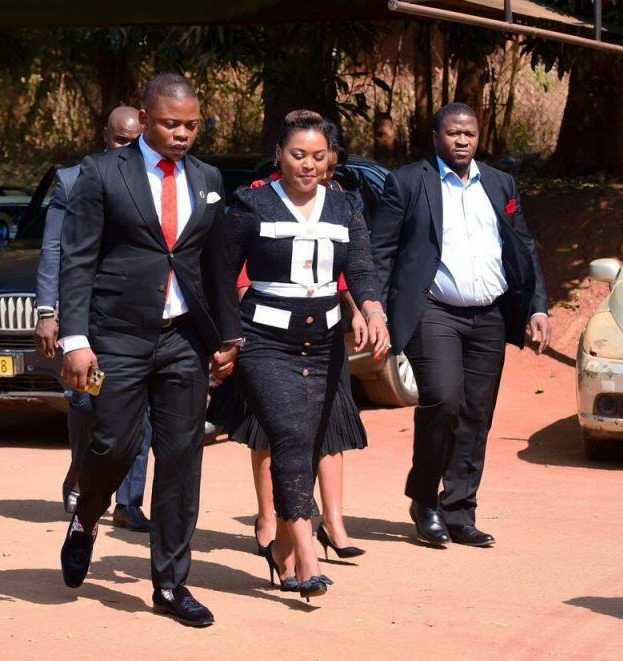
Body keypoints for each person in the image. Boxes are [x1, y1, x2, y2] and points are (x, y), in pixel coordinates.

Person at [57, 73, 241, 627]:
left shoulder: (208, 178)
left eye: (191, 125)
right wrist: (76, 339)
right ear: (145, 116)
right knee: (112, 446)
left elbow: (217, 263)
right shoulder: (101, 173)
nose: (182, 134)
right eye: (169, 124)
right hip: (116, 336)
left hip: (183, 337)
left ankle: (170, 584)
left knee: (182, 457)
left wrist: (227, 336)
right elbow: (78, 259)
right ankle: (87, 516)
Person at [218, 110, 388, 602]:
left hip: (326, 342)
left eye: (318, 156)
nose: (308, 165)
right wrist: (225, 338)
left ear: (331, 159)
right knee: (289, 433)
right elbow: (222, 277)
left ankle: (282, 555)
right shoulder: (251, 203)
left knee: (310, 441)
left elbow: (361, 267)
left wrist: (373, 313)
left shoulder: (347, 205)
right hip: (265, 342)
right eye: (297, 155)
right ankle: (307, 550)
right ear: (278, 156)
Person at [370, 102, 551, 548]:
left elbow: (522, 247)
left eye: (469, 132)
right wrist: (372, 307)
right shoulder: (409, 182)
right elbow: (381, 250)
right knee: (443, 400)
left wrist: (537, 306)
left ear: (478, 136)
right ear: (436, 137)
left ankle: (460, 510)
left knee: (476, 413)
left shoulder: (500, 182)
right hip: (434, 311)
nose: (462, 140)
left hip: (489, 313)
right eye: (453, 133)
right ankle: (425, 499)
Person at [34, 106, 152, 533]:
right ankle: (81, 473)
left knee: (140, 410)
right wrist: (48, 311)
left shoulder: (159, 182)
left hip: (134, 316)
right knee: (85, 403)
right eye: (121, 139)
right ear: (106, 136)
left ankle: (129, 502)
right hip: (84, 314)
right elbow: (54, 250)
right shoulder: (73, 180)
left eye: (136, 138)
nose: (129, 146)